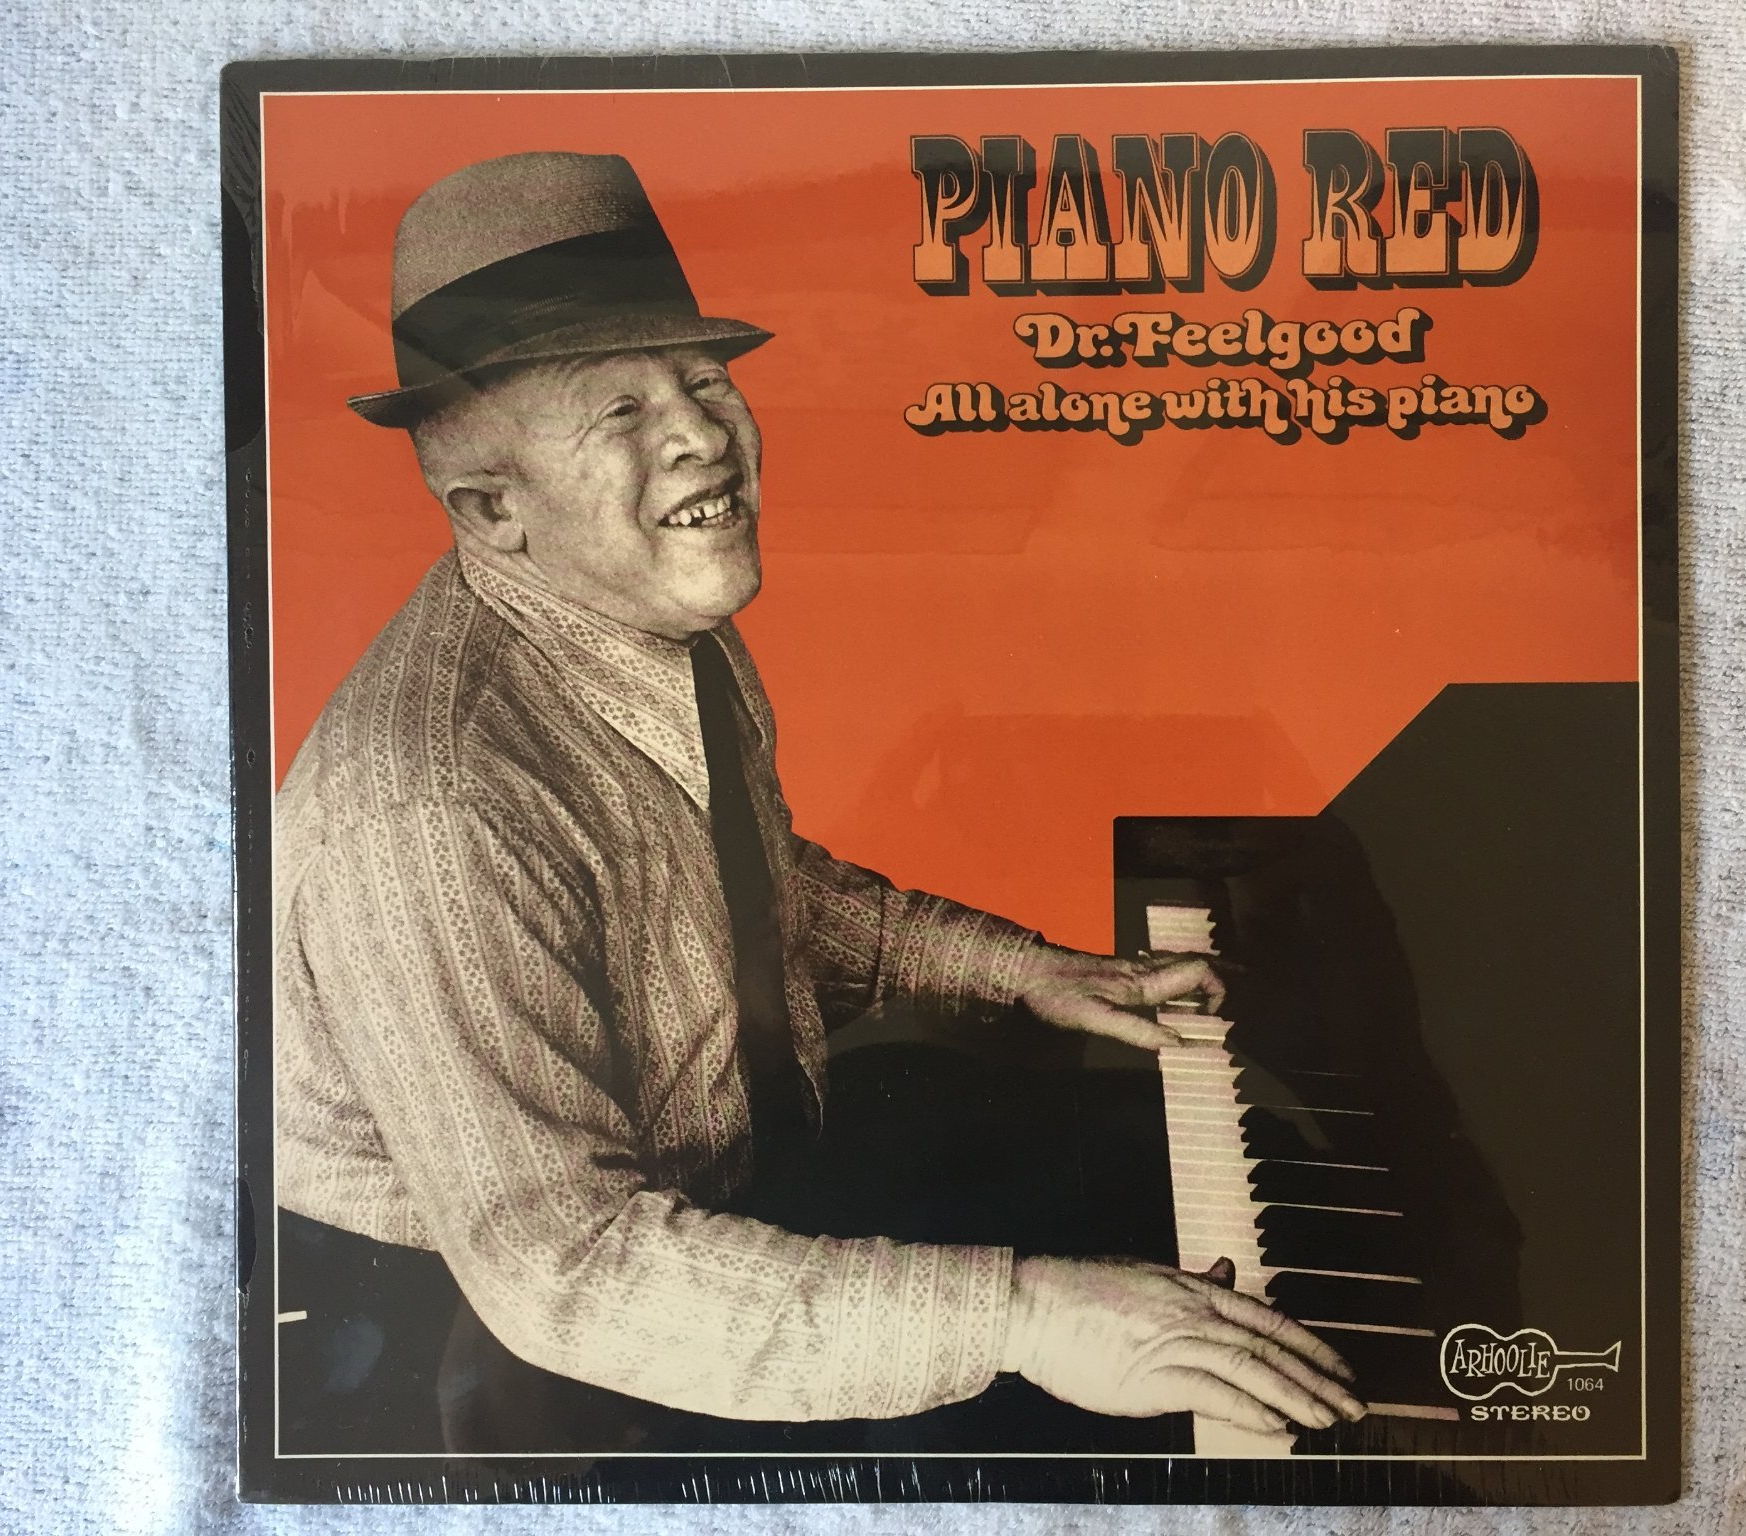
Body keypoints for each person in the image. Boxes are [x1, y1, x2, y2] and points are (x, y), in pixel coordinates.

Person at [272, 151, 1364, 1453]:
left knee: (1153, 1166)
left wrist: (1025, 972)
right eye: (619, 412)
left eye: (702, 379)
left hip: (712, 1181)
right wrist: (1028, 1317)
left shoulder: (642, 608)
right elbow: (567, 1275)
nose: (701, 435)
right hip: (482, 1352)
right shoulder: (431, 816)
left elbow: (749, 889)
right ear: (493, 507)